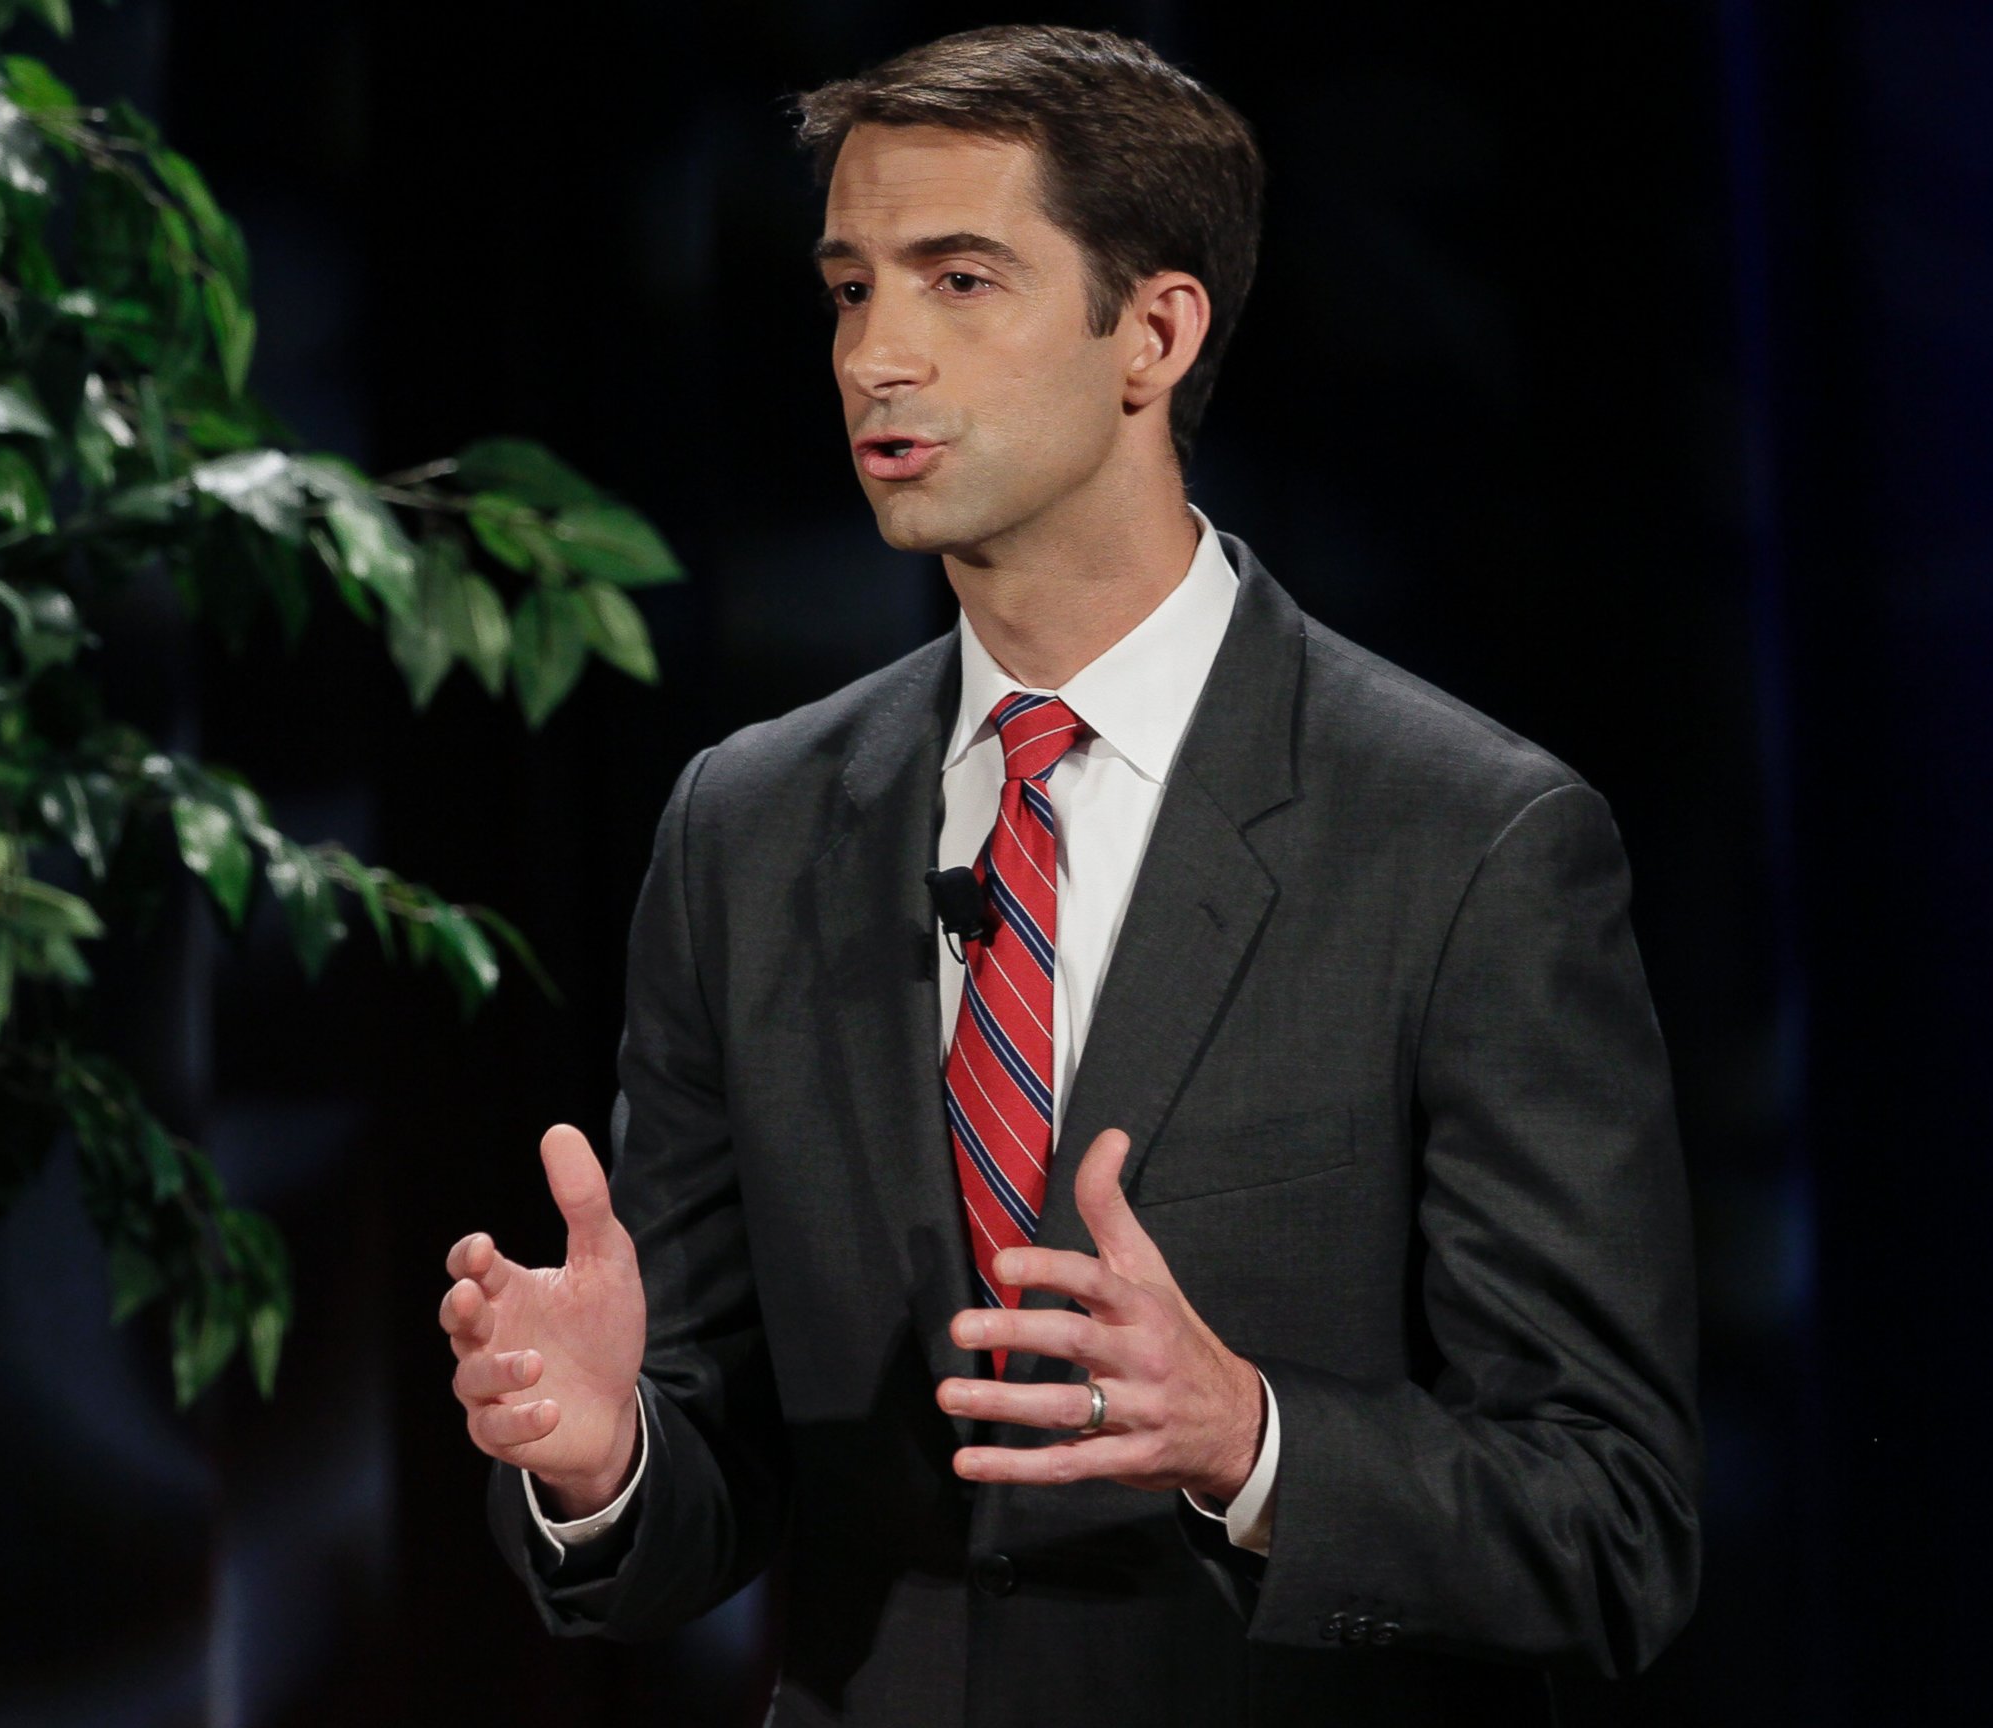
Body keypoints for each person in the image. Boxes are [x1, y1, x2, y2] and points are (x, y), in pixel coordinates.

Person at [438, 25, 1701, 1727]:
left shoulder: (1469, 841)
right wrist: (607, 1458)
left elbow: (1610, 1528)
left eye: (962, 281)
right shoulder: (744, 829)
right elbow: (714, 1485)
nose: (876, 355)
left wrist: (1249, 1438)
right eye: (848, 289)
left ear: (1155, 333)